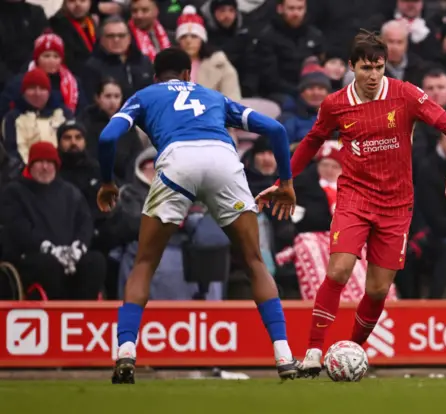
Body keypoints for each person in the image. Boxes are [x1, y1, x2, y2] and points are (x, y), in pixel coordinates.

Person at [257, 30, 446, 377]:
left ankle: (352, 353)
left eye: (379, 68)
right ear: (351, 66)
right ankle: (313, 351)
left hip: (397, 205)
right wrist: (283, 181)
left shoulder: (406, 95)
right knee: (338, 270)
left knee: (378, 288)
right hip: (354, 197)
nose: (373, 75)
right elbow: (311, 142)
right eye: (366, 68)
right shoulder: (335, 104)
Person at [97, 47, 298, 384]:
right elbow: (276, 130)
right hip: (223, 161)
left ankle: (126, 353)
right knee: (254, 262)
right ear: (189, 74)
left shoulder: (145, 96)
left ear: (155, 76)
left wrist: (106, 182)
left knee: (144, 262)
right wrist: (286, 183)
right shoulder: (213, 96)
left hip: (178, 162)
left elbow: (106, 137)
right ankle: (284, 356)